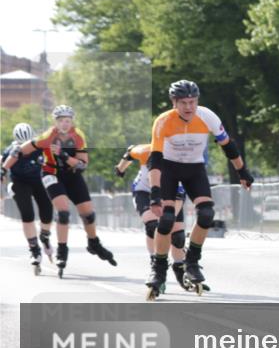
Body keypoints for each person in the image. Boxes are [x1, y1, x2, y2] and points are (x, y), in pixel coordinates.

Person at [146, 80, 253, 299]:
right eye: (183, 103)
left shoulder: (207, 117)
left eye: (192, 102)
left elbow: (228, 146)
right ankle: (158, 269)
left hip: (194, 169)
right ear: (174, 103)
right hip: (169, 169)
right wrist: (155, 193)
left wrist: (242, 171)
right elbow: (154, 160)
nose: (189, 107)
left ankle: (192, 262)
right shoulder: (163, 121)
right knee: (166, 220)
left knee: (206, 214)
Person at [15, 105, 117, 276]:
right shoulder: (48, 136)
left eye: (68, 121)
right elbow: (25, 148)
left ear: (72, 122)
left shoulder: (78, 136)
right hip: (52, 174)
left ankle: (93, 242)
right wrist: (14, 154)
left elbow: (82, 165)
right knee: (63, 213)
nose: (64, 124)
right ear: (56, 122)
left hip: (72, 174)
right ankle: (62, 251)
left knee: (88, 215)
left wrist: (63, 155)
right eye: (61, 120)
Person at [115, 143, 188, 291]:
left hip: (170, 193)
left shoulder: (179, 161)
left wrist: (168, 226)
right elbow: (129, 153)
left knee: (177, 235)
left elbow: (177, 201)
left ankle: (179, 267)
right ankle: (155, 263)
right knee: (152, 225)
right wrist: (120, 169)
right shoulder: (144, 151)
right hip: (144, 191)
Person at [1, 123, 54, 274]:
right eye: (21, 146)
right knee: (27, 214)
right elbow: (3, 166)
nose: (25, 149)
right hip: (20, 183)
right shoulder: (11, 151)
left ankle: (44, 236)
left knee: (47, 211)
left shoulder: (39, 147)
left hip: (38, 181)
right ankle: (34, 249)